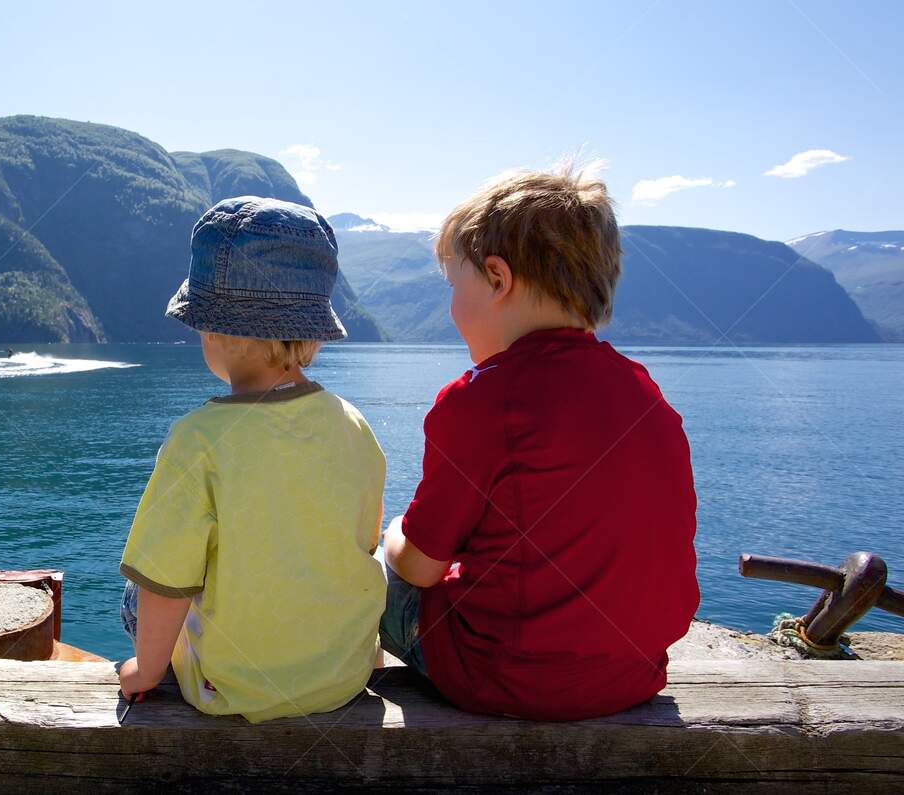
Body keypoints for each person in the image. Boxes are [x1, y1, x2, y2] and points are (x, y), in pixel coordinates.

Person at [380, 162, 699, 720]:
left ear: (498, 280)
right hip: (633, 672)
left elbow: (421, 568)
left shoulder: (479, 399)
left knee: (366, 566)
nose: (451, 309)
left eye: (455, 286)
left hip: (507, 677)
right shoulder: (646, 394)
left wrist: (393, 534)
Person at [116, 196, 387, 722]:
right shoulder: (354, 424)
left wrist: (144, 673)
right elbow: (361, 542)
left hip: (231, 689)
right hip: (342, 679)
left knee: (140, 585)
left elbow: (164, 583)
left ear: (215, 331)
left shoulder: (197, 440)